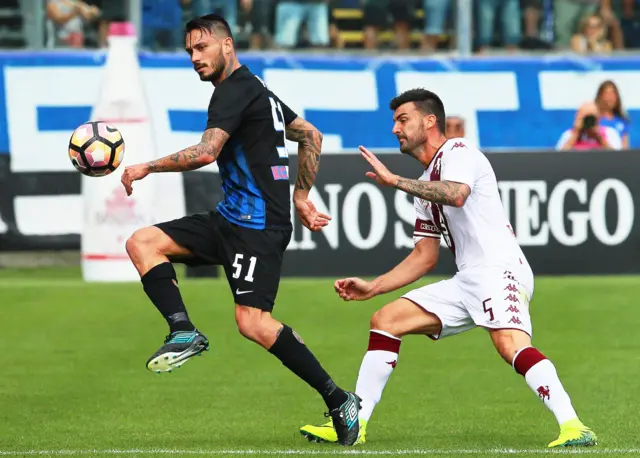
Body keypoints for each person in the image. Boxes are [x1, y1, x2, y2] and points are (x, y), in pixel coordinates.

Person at [299, 88, 597, 448]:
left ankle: (573, 425)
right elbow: (424, 257)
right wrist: (373, 287)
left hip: (498, 268)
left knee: (509, 344)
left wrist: (395, 182)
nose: (395, 129)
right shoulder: (425, 184)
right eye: (395, 121)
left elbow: (456, 194)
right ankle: (355, 425)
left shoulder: (458, 151)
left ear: (429, 121)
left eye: (402, 119)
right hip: (468, 277)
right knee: (386, 320)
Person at [120, 14, 361, 446]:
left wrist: (147, 166)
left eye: (202, 48)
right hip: (229, 218)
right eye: (190, 51)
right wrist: (302, 197)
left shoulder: (235, 90)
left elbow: (207, 151)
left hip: (258, 227)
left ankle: (339, 398)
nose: (195, 58)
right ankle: (183, 330)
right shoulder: (256, 91)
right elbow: (312, 136)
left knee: (252, 323)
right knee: (142, 242)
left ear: (227, 45)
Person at [556, 101, 622, 151]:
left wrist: (599, 138)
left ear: (598, 118)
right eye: (585, 117)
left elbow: (617, 158)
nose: (588, 121)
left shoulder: (610, 133)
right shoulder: (568, 135)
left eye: (591, 118)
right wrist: (575, 134)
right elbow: (558, 159)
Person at [595, 80, 631, 149]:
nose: (610, 97)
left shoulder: (622, 120)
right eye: (607, 94)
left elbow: (625, 148)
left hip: (617, 158)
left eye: (613, 93)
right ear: (600, 96)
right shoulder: (595, 119)